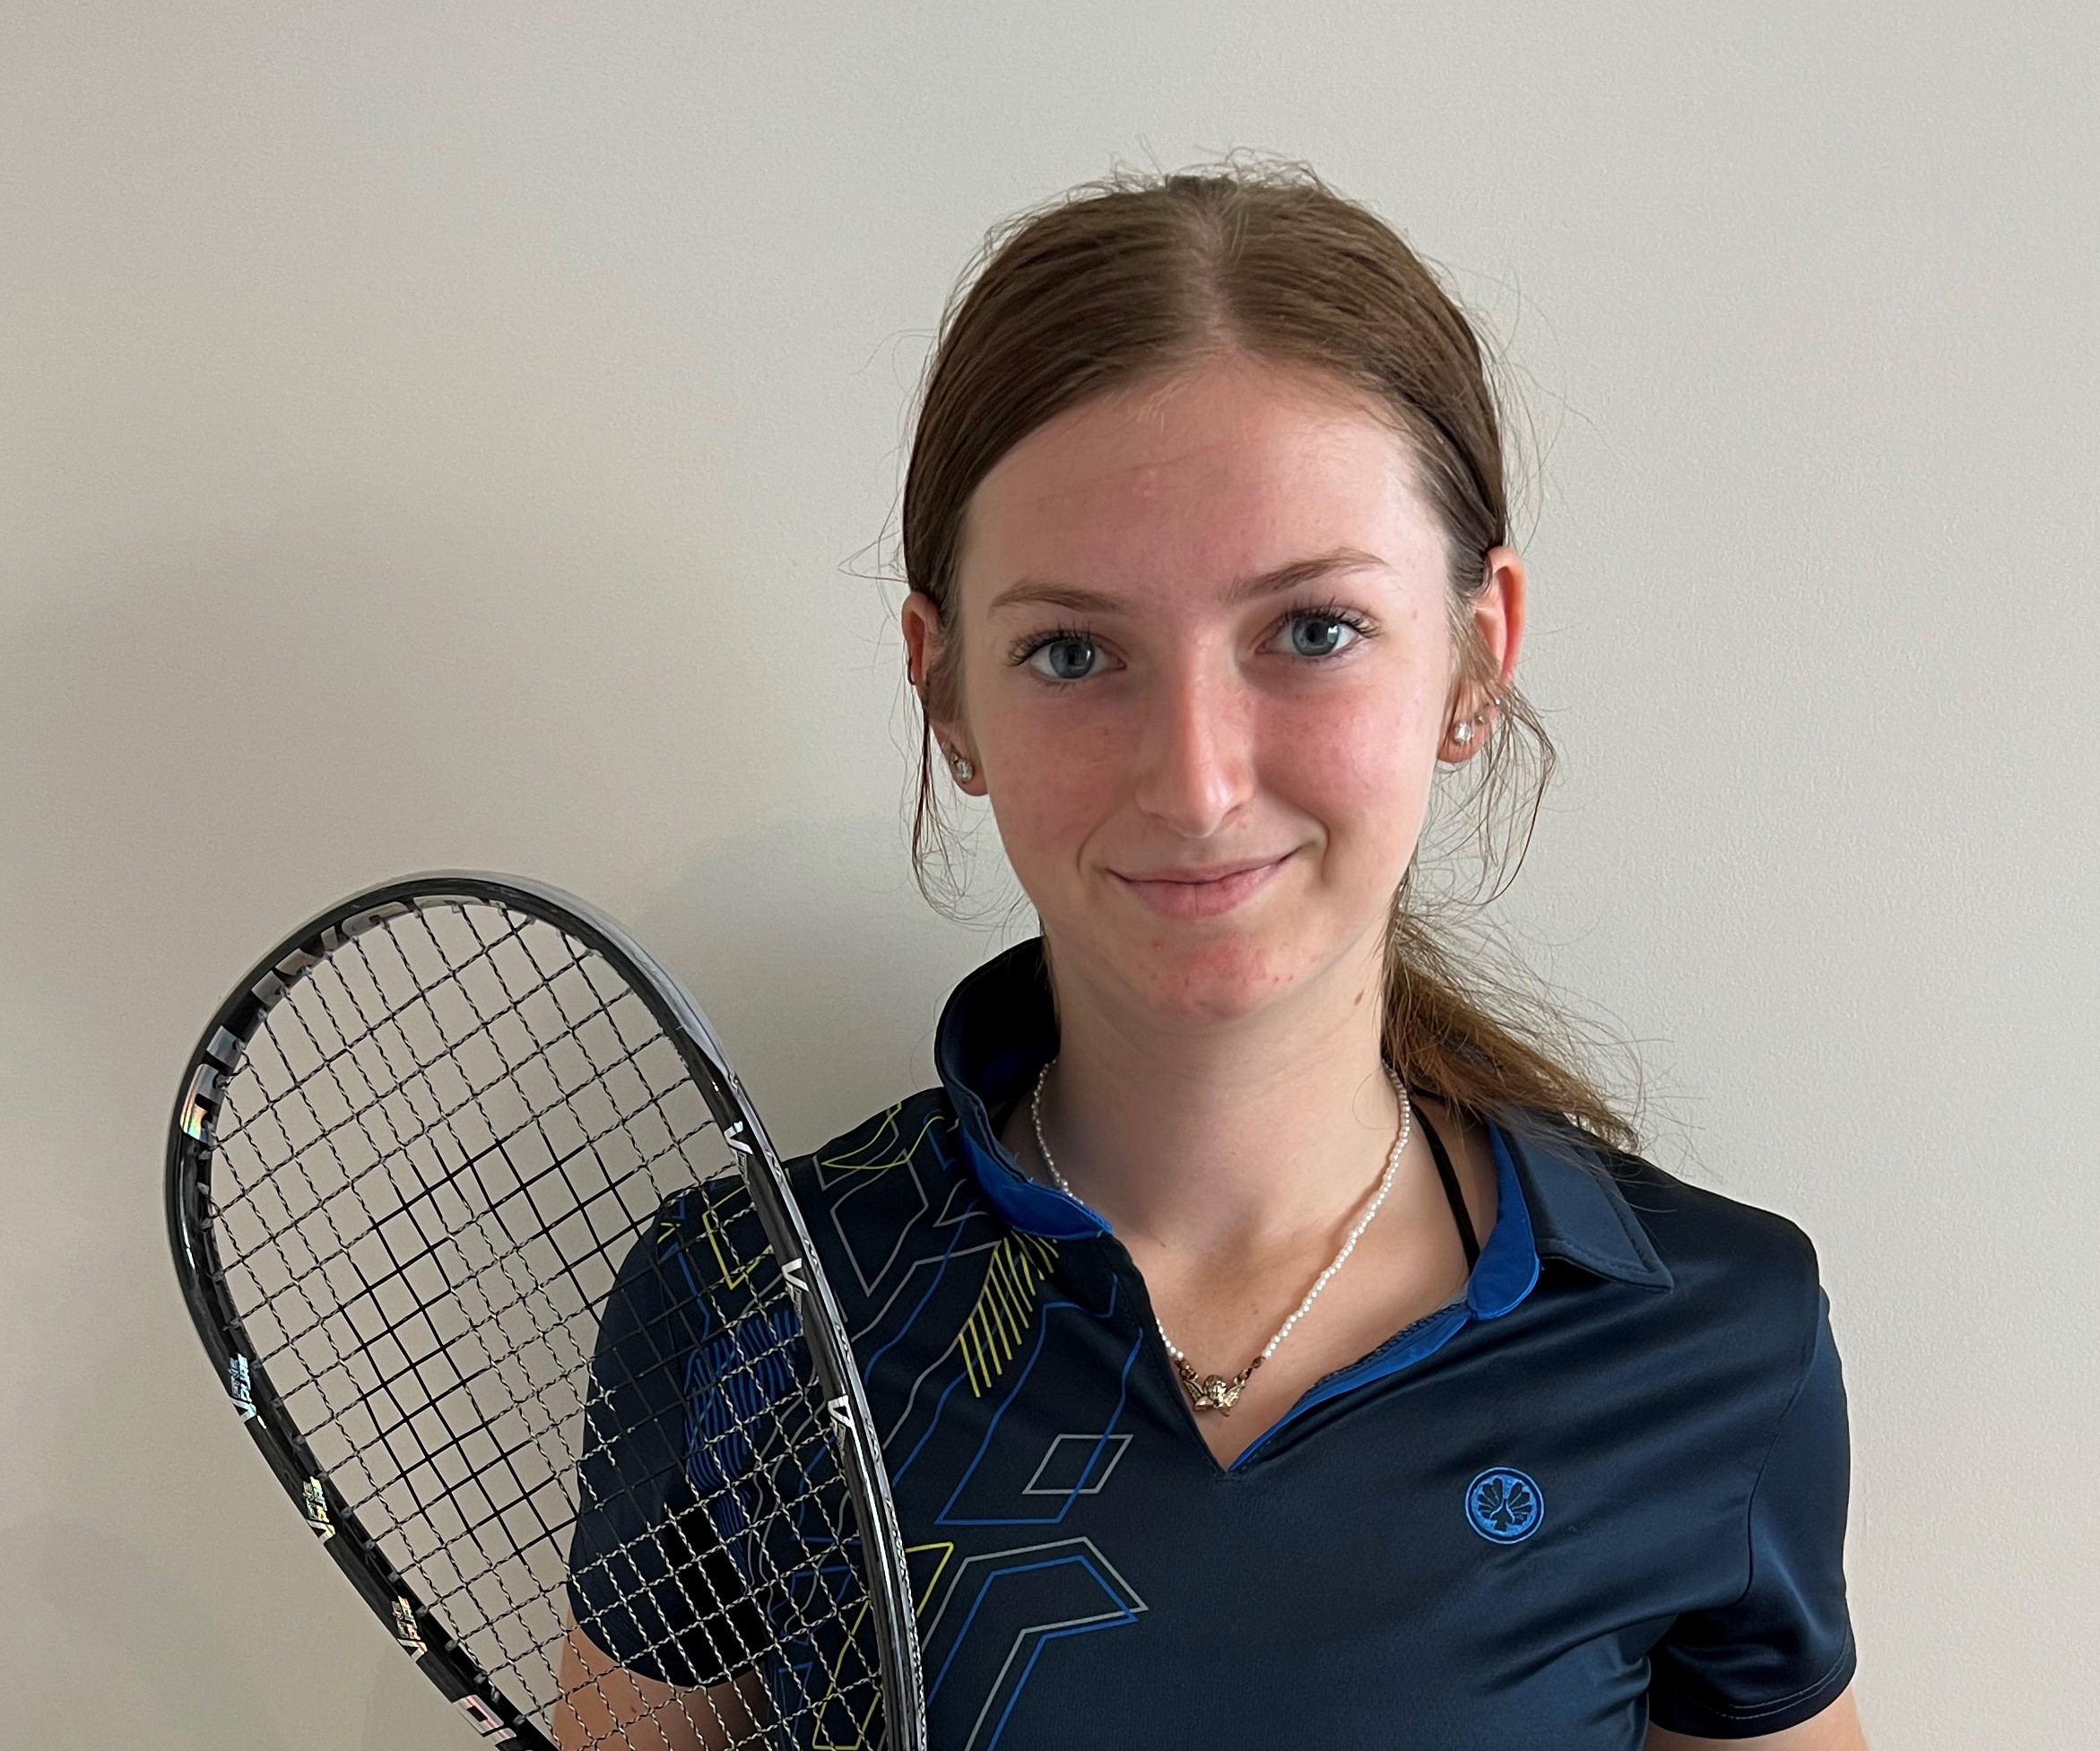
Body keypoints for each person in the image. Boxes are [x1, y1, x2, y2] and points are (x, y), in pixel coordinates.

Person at [553, 160, 1865, 1749]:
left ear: (1476, 657)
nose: (1195, 781)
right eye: (1071, 651)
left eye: (1310, 630)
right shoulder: (749, 1299)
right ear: (945, 690)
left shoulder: (1709, 1336)